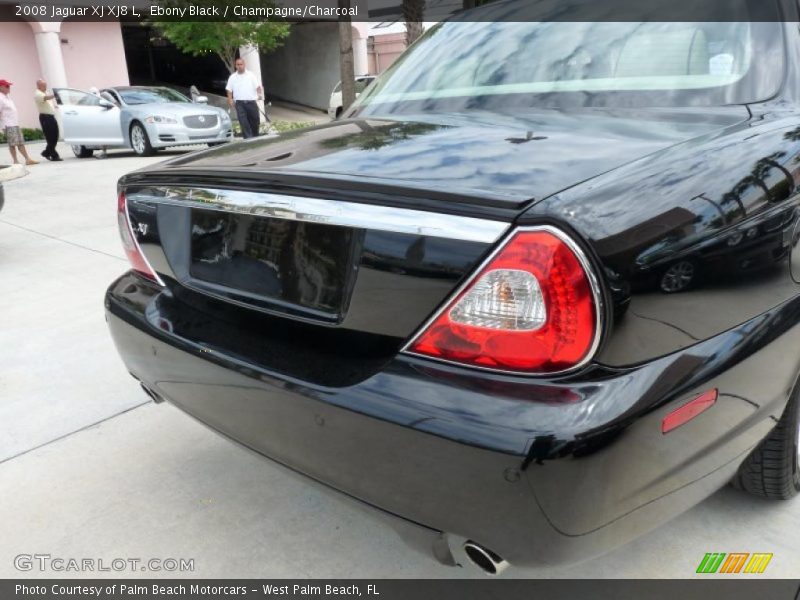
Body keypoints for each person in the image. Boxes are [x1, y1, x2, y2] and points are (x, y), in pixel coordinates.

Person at [0, 79, 37, 165]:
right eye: (7, 86)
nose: (9, 88)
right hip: (8, 124)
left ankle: (28, 159)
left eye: (9, 86)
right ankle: (15, 161)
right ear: (1, 87)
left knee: (20, 142)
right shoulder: (0, 98)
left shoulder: (7, 97)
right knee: (12, 144)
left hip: (14, 123)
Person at [225, 58, 263, 139]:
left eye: (241, 64)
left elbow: (258, 87)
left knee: (255, 121)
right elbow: (229, 89)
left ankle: (255, 137)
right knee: (243, 122)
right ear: (235, 66)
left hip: (251, 102)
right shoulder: (232, 77)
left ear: (244, 65)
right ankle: (248, 139)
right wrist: (230, 99)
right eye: (237, 65)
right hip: (239, 104)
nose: (239, 66)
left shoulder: (251, 75)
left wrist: (259, 94)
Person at [34, 79, 61, 161]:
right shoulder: (37, 94)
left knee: (55, 136)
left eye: (45, 85)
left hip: (51, 117)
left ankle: (46, 152)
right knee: (50, 137)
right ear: (38, 86)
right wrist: (55, 94)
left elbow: (48, 103)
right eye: (43, 85)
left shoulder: (46, 92)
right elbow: (46, 98)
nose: (45, 87)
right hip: (45, 117)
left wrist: (55, 107)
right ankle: (54, 156)